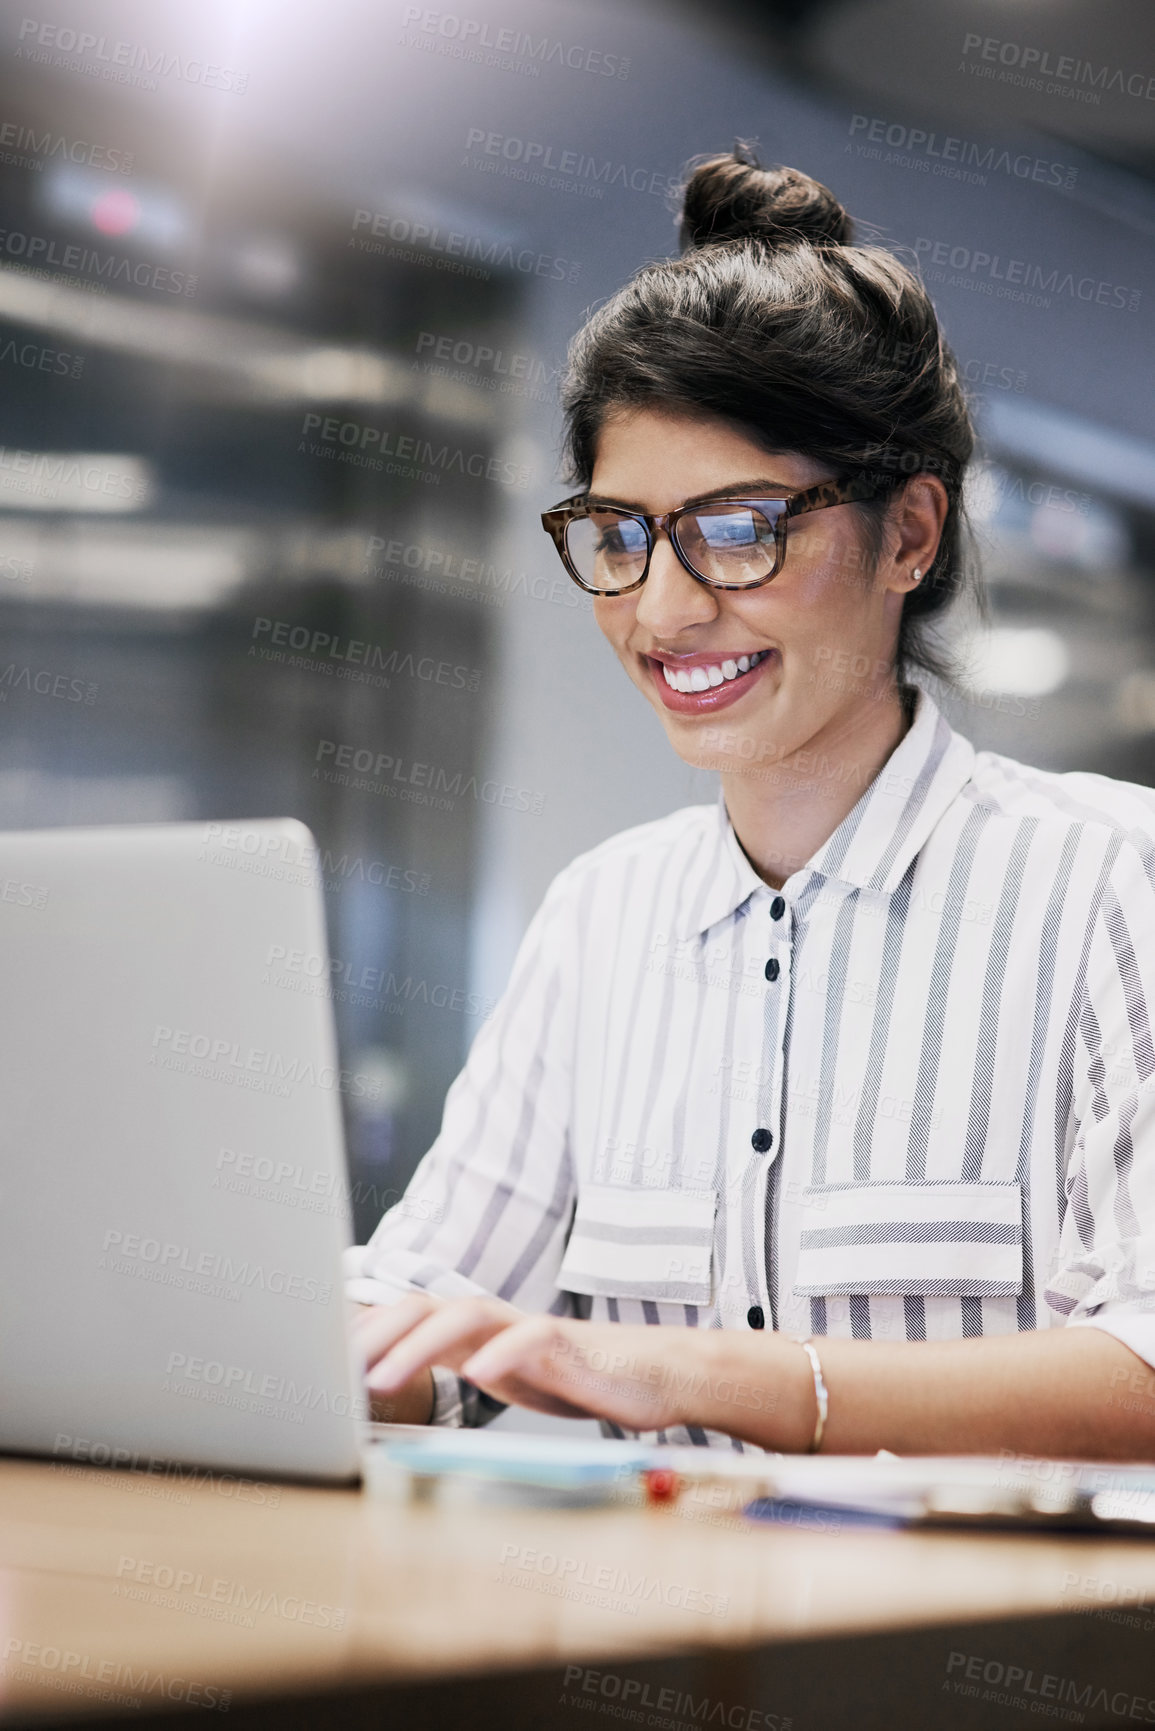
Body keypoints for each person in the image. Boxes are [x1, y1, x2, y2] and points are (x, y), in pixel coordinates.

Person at [345, 149, 1155, 1456]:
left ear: (909, 535)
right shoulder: (600, 919)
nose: (662, 611)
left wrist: (716, 1377)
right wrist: (283, 1344)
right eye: (621, 536)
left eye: (738, 531)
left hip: (989, 1655)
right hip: (653, 1644)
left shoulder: (1116, 887)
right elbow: (434, 1294)